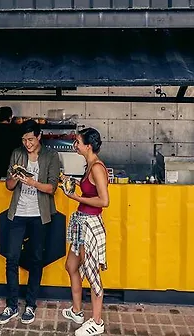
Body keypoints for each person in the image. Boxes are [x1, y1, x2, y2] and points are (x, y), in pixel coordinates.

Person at [0, 120, 60, 326]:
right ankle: (12, 305)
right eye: (24, 140)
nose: (27, 144)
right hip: (18, 213)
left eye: (31, 139)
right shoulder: (17, 153)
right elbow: (8, 185)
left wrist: (32, 182)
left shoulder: (51, 156)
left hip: (40, 214)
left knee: (36, 259)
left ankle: (31, 304)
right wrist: (15, 178)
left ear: (39, 136)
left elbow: (52, 188)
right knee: (11, 258)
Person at [61, 128, 110, 336]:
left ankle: (97, 322)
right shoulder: (88, 164)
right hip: (81, 222)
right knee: (71, 266)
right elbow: (90, 191)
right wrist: (70, 182)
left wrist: (75, 197)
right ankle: (77, 311)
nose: (75, 146)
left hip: (90, 224)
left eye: (78, 142)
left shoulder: (97, 167)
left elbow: (104, 201)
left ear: (88, 146)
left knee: (92, 274)